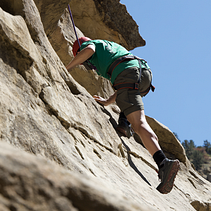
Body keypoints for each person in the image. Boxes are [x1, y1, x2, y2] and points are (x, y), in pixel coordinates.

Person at [66, 37, 179, 194]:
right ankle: (124, 124)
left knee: (139, 124)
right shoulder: (109, 48)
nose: (88, 66)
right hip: (143, 74)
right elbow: (122, 86)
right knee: (126, 99)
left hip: (127, 73)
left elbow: (88, 50)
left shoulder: (89, 45)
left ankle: (164, 163)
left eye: (85, 63)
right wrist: (107, 101)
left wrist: (68, 67)